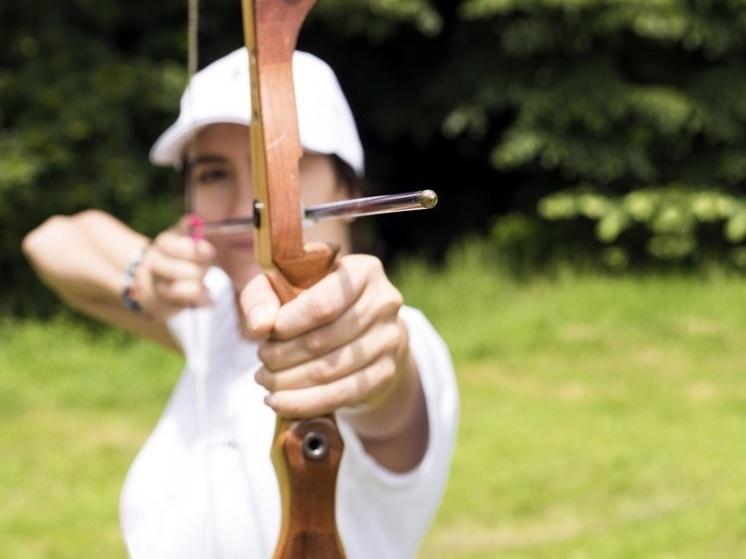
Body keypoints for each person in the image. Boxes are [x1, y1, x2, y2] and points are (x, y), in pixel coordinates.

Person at [22, 48, 458, 558]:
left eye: (280, 167)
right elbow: (51, 240)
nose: (249, 205)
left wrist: (368, 352)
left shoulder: (395, 332)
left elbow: (384, 381)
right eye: (213, 174)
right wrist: (144, 273)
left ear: (346, 185)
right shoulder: (216, 318)